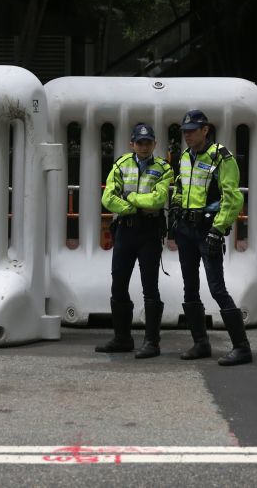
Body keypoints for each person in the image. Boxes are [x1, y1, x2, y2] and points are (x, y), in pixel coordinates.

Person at [171, 109, 251, 366]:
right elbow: (180, 187)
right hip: (186, 229)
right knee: (189, 287)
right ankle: (200, 343)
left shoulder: (221, 157)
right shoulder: (184, 156)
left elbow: (232, 196)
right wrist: (175, 209)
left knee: (217, 288)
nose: (188, 136)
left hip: (208, 229)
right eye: (185, 132)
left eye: (193, 131)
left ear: (206, 130)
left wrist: (219, 229)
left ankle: (242, 347)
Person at [96, 123, 174, 359]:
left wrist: (129, 196)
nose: (143, 146)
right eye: (139, 143)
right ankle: (122, 338)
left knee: (150, 286)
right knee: (118, 284)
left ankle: (152, 342)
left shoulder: (163, 168)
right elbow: (108, 198)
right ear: (132, 144)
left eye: (148, 142)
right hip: (125, 232)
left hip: (149, 233)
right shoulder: (121, 164)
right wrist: (131, 207)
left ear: (154, 144)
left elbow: (158, 200)